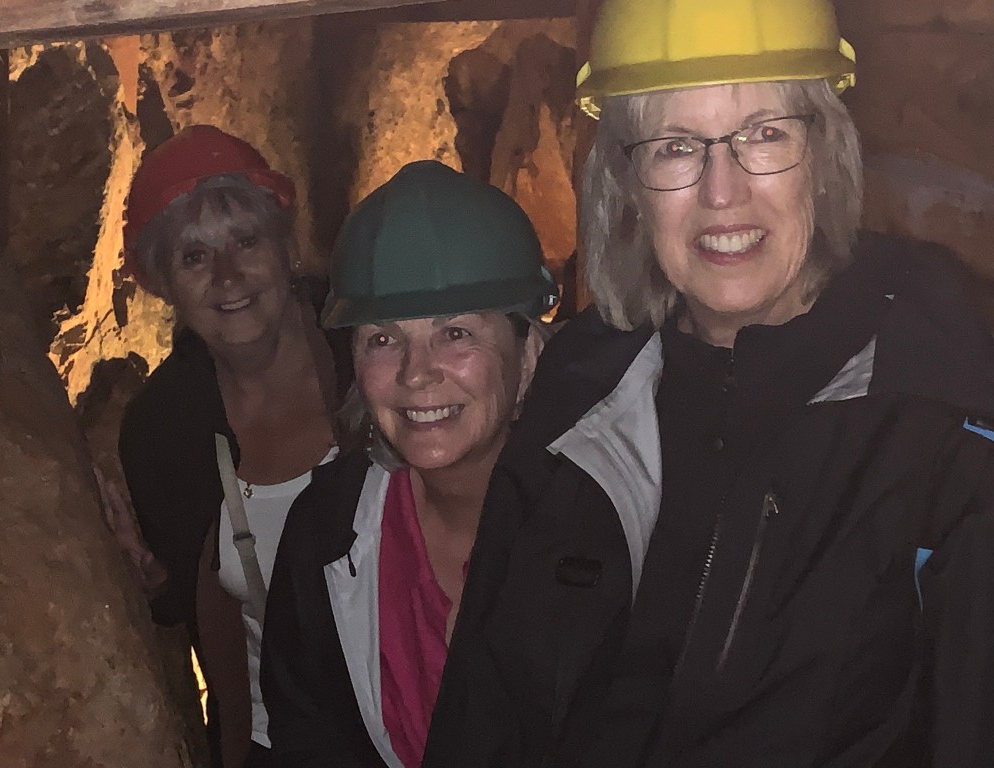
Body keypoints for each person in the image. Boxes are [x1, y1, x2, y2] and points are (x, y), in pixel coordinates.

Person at [425, 1, 994, 766]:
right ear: (627, 180)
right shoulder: (580, 392)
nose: (722, 192)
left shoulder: (942, 418)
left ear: (824, 155)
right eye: (675, 147)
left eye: (765, 134)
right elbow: (483, 713)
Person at [260, 160, 557, 768]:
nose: (416, 374)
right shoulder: (326, 530)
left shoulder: (598, 528)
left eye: (456, 334)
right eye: (382, 339)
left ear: (527, 355)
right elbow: (306, 741)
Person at [113, 125, 340, 768]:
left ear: (286, 249)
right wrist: (151, 580)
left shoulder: (369, 355)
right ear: (164, 285)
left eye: (246, 241)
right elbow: (194, 604)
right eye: (194, 257)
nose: (228, 276)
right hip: (279, 746)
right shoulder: (166, 429)